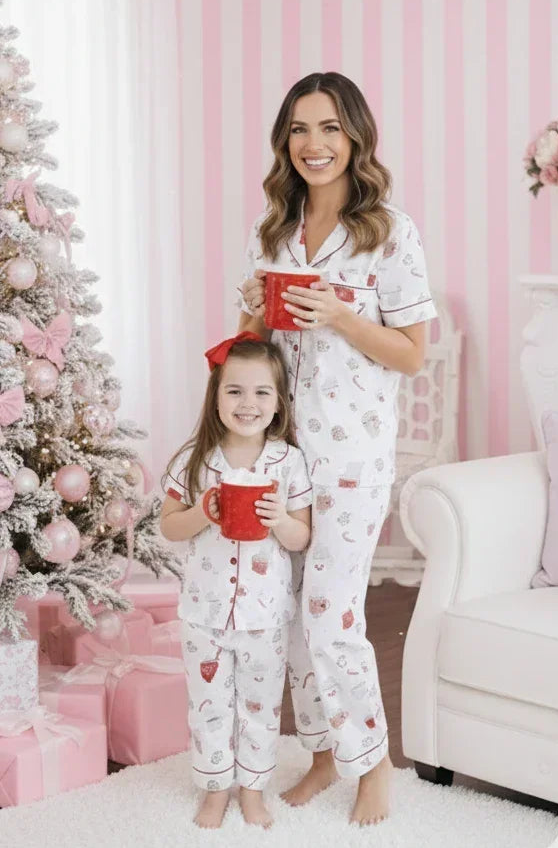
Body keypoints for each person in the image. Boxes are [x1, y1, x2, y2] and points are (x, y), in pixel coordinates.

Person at [237, 71, 437, 826]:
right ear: (284, 143)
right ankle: (321, 752)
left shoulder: (390, 229)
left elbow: (414, 352)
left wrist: (343, 317)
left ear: (354, 135)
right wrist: (257, 318)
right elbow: (263, 352)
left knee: (329, 612)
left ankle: (373, 760)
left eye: (327, 127)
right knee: (286, 613)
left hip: (352, 459)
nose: (313, 144)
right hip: (283, 452)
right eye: (298, 129)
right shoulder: (274, 233)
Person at [160, 333, 312, 830]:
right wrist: (203, 512)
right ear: (216, 396)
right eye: (235, 391)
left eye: (261, 393)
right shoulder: (195, 460)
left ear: (278, 402)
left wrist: (278, 521)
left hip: (263, 617)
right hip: (203, 613)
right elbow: (168, 526)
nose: (248, 403)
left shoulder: (288, 462)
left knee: (259, 706)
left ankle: (251, 788)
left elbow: (300, 536)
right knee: (208, 706)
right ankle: (213, 788)